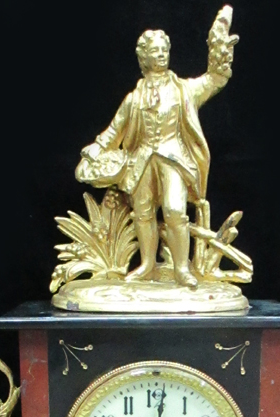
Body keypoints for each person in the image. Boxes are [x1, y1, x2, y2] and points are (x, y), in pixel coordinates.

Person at [79, 11, 237, 287]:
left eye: (165, 49)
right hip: (141, 160)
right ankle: (147, 265)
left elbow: (215, 78)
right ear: (144, 57)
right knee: (142, 212)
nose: (162, 54)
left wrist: (219, 46)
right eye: (155, 51)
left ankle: (181, 269)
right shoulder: (134, 98)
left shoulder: (185, 90)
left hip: (173, 159)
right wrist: (97, 146)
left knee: (174, 210)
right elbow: (115, 129)